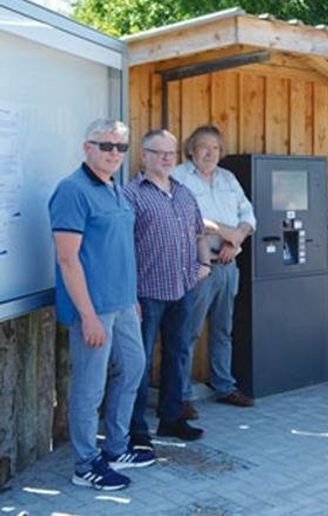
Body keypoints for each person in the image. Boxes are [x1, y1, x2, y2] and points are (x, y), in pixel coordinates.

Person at [48, 119, 155, 491]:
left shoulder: (116, 189)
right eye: (105, 145)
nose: (114, 153)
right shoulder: (72, 191)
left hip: (124, 304)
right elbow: (67, 259)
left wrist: (133, 299)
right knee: (89, 386)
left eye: (121, 147)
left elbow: (121, 251)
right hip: (93, 309)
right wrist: (88, 315)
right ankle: (85, 464)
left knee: (134, 367)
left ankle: (115, 447)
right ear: (87, 148)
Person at [124, 130, 208, 445]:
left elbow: (200, 233)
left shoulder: (184, 193)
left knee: (179, 354)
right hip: (145, 294)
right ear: (143, 155)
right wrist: (128, 293)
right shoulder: (130, 195)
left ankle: (171, 420)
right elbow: (122, 248)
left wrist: (206, 265)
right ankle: (136, 430)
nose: (167, 158)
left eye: (171, 153)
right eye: (159, 153)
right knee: (139, 362)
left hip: (182, 290)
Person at [173, 125, 256, 416]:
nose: (210, 153)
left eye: (216, 148)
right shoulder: (178, 177)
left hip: (228, 263)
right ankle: (180, 395)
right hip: (197, 265)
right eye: (204, 147)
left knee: (223, 330)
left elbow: (248, 215)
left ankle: (224, 386)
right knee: (188, 331)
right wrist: (225, 232)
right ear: (191, 149)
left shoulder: (228, 178)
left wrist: (237, 239)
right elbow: (185, 218)